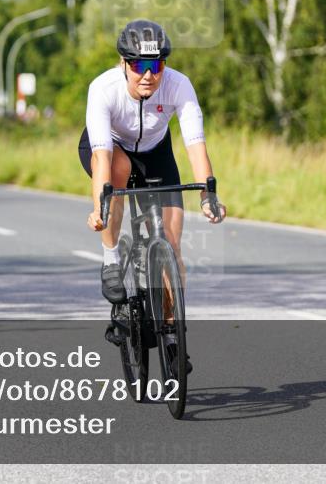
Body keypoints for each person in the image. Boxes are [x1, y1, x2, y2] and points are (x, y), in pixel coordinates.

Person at [79, 19, 227, 371]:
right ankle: (112, 258)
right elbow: (100, 155)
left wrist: (208, 192)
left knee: (172, 245)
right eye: (139, 65)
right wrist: (100, 205)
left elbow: (195, 143)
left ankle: (173, 333)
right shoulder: (103, 89)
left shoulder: (178, 85)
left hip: (156, 152)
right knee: (118, 172)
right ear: (123, 63)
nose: (148, 74)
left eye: (156, 64)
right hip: (110, 152)